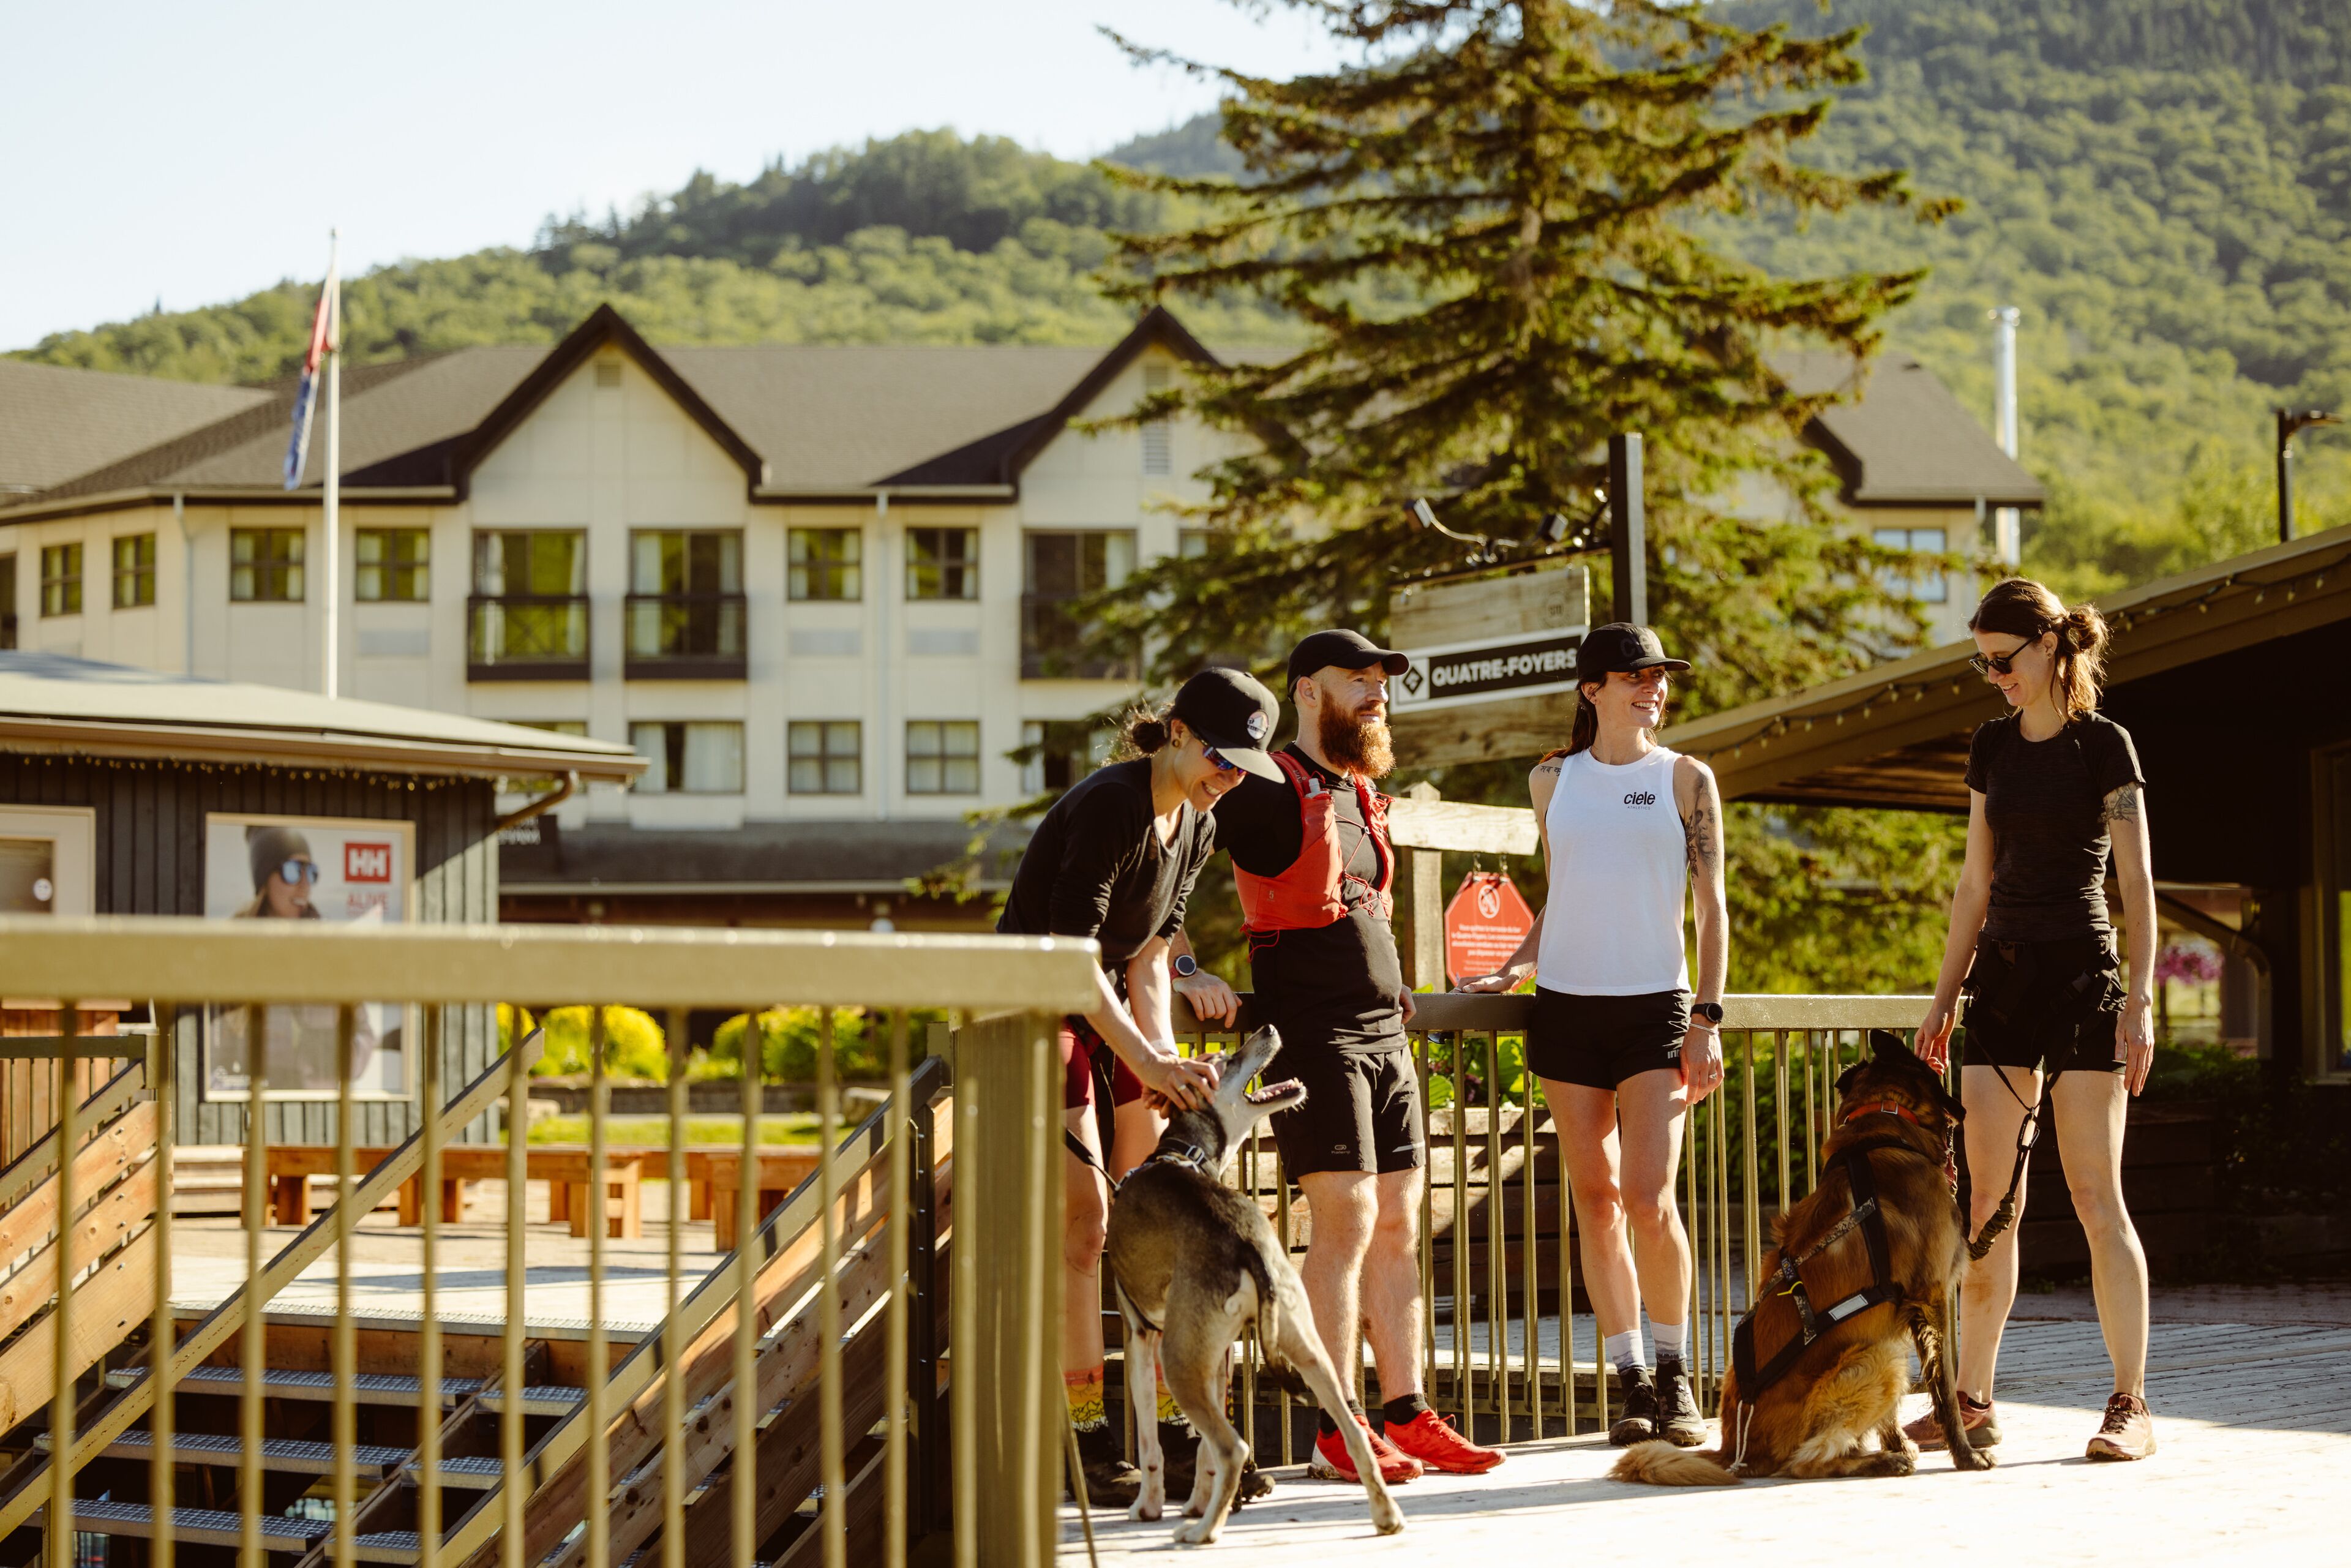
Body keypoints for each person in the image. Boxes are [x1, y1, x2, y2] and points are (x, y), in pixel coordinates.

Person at [1186, 629, 1505, 1483]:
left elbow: (1357, 903)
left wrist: (1392, 980)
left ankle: (1406, 1412)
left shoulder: (1358, 790)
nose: (1376, 692)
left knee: (1400, 1220)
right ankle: (1338, 1427)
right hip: (1313, 1032)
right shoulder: (1264, 784)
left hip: (1384, 1032)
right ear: (1307, 691)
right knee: (1350, 1221)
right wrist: (1184, 968)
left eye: (1381, 680)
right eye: (1356, 678)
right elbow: (1168, 849)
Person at [996, 666, 1276, 1507]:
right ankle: (1084, 1438)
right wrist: (1148, 1061)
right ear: (1179, 733)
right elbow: (1071, 958)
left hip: (1110, 1006)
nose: (1230, 778)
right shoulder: (1110, 805)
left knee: (1152, 1226)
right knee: (1086, 1226)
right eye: (1222, 758)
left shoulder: (1199, 821)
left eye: (1244, 768)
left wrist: (1163, 1061)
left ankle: (1179, 1434)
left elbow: (1152, 955)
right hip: (1037, 1007)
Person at [1457, 622, 1727, 1449]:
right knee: (1597, 1201)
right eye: (1636, 675)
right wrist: (1514, 965)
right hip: (1566, 1009)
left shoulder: (1687, 779)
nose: (1654, 687)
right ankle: (1631, 1379)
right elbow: (1564, 890)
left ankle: (1677, 1374)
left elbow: (1712, 908)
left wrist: (1707, 1018)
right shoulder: (1550, 779)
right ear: (1592, 688)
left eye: (1660, 676)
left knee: (1649, 1198)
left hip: (1657, 1011)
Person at [1911, 578, 2158, 1462]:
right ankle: (1972, 1400)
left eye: (2003, 660)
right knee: (1990, 1204)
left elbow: (2137, 883)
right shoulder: (1991, 747)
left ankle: (2130, 1404)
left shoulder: (2105, 745)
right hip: (2003, 983)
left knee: (2095, 1196)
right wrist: (1944, 996)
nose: (1995, 677)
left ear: (2049, 646)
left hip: (2084, 979)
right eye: (1983, 664)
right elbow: (1973, 882)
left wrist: (2141, 998)